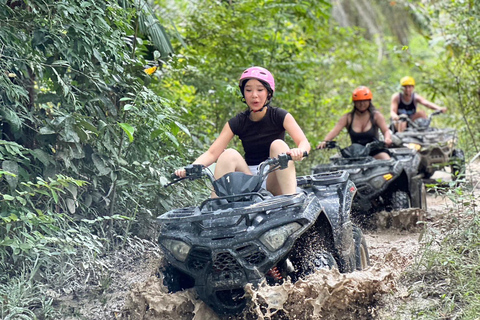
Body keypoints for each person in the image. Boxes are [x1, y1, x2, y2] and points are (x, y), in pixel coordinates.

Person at [175, 66, 311, 196]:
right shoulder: (238, 121)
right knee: (228, 154)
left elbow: (303, 142)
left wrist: (298, 151)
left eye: (260, 90)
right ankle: (215, 210)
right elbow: (212, 153)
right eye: (249, 90)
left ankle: (291, 201)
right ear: (243, 93)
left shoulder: (280, 115)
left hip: (274, 175)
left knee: (278, 145)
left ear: (268, 93)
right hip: (250, 180)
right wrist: (190, 168)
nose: (254, 95)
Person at [317, 86, 392, 160]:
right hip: (355, 153)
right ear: (354, 102)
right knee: (335, 162)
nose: (362, 104)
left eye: (364, 101)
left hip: (375, 151)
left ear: (369, 101)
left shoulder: (376, 116)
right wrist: (325, 141)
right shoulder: (348, 117)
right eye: (358, 101)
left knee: (386, 159)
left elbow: (385, 130)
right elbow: (335, 131)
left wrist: (387, 139)